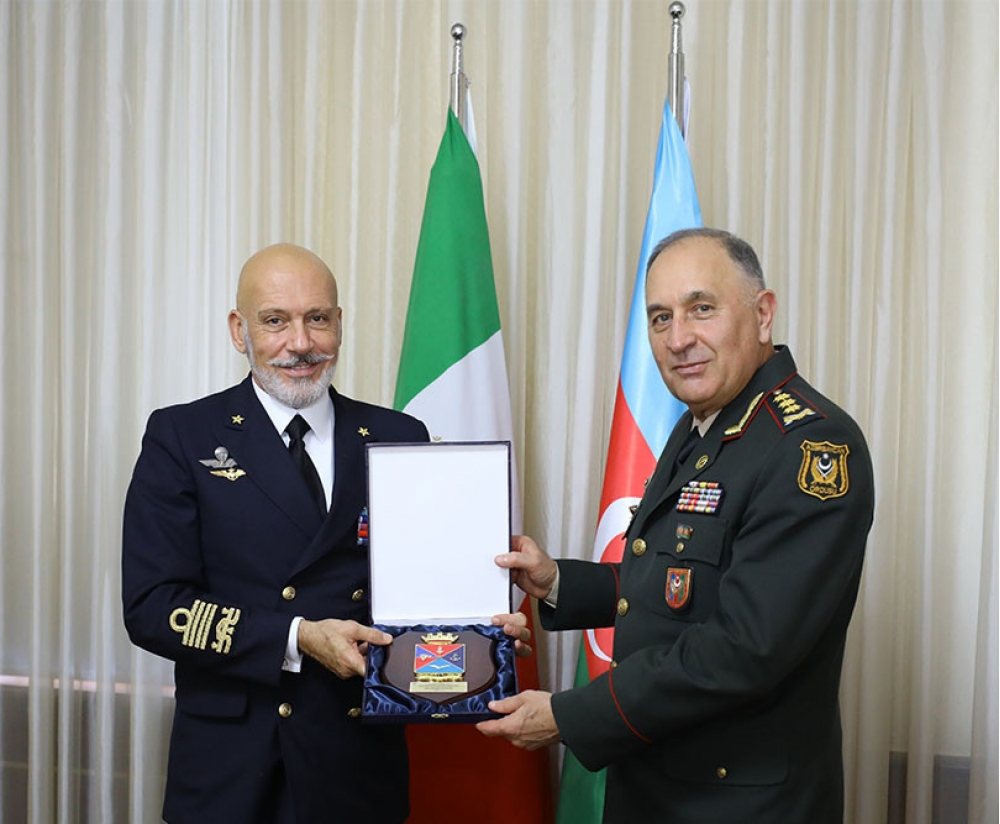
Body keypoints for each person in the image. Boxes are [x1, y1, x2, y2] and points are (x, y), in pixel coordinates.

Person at [122, 243, 529, 824]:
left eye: (316, 318)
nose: (300, 343)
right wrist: (296, 637)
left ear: (339, 323)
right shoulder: (184, 436)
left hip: (354, 762)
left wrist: (482, 634)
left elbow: (425, 593)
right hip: (233, 768)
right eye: (274, 321)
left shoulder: (397, 435)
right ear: (239, 331)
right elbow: (153, 606)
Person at [478, 228, 875, 823]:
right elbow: (676, 585)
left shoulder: (809, 445)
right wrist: (557, 581)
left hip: (739, 805)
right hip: (656, 785)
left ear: (763, 314)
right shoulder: (706, 423)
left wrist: (570, 715)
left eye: (701, 308)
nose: (678, 338)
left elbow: (744, 647)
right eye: (660, 318)